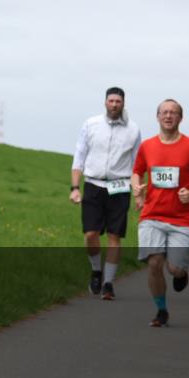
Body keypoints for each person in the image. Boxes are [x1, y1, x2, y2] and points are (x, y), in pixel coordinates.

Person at [132, 99, 189, 327]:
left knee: (174, 269)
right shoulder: (147, 146)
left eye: (173, 113)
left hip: (181, 219)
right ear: (157, 116)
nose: (168, 116)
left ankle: (181, 273)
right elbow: (136, 172)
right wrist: (136, 190)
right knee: (155, 263)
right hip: (152, 215)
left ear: (180, 118)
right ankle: (161, 310)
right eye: (164, 112)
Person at [70, 87, 142, 300]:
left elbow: (137, 163)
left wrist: (138, 193)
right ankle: (96, 270)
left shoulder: (133, 129)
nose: (114, 105)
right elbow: (79, 157)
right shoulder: (91, 125)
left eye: (118, 101)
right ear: (105, 103)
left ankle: (109, 283)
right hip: (93, 184)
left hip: (119, 187)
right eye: (111, 101)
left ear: (123, 104)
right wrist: (74, 188)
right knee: (91, 234)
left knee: (114, 236)